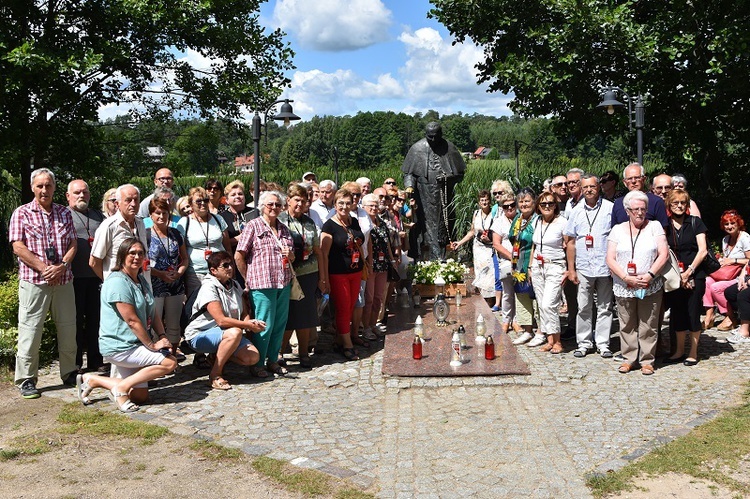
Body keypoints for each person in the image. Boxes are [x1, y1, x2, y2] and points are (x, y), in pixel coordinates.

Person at [74, 238, 177, 412]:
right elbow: (132, 320)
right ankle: (120, 388)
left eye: (140, 253)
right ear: (122, 256)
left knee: (140, 396)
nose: (137, 257)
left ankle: (93, 380)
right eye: (132, 253)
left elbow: (153, 312)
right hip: (120, 346)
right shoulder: (117, 282)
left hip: (135, 344)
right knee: (169, 363)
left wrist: (163, 336)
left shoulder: (140, 279)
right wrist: (152, 346)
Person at [10, 168, 78, 398]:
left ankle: (69, 372)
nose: (44, 190)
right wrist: (43, 268)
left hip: (64, 280)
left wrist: (62, 266)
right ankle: (27, 379)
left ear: (54, 187)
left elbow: (73, 245)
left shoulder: (64, 213)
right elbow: (17, 247)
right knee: (30, 329)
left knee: (68, 327)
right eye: (40, 186)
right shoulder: (22, 213)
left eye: (48, 185)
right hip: (34, 282)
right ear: (32, 187)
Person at [606, 190, 669, 375]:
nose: (640, 212)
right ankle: (629, 358)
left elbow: (663, 253)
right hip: (624, 284)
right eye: (635, 209)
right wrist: (626, 277)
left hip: (649, 283)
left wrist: (649, 275)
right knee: (626, 323)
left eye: (643, 209)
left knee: (648, 324)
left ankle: (647, 360)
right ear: (627, 211)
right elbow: (610, 258)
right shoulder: (617, 229)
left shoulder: (655, 226)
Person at [184, 251, 264, 389]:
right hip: (200, 334)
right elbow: (221, 321)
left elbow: (244, 312)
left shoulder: (235, 285)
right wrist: (247, 325)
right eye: (225, 266)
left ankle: (215, 357)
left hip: (226, 334)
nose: (230, 268)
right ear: (213, 270)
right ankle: (215, 375)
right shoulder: (208, 287)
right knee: (235, 333)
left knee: (252, 357)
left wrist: (250, 322)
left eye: (231, 264)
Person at [235, 190, 294, 378]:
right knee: (264, 325)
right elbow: (239, 255)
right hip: (262, 283)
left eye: (278, 204)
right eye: (270, 204)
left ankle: (273, 360)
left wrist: (290, 255)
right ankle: (258, 363)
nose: (274, 208)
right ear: (262, 206)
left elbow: (292, 256)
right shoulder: (253, 226)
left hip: (283, 282)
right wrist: (247, 278)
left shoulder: (284, 228)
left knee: (279, 324)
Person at [564, 175, 614, 358]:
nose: (589, 190)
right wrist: (571, 269)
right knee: (583, 306)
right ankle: (584, 342)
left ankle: (603, 343)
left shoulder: (610, 208)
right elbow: (570, 242)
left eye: (592, 186)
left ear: (598, 187)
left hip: (604, 266)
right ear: (581, 189)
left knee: (604, 307)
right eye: (585, 187)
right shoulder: (576, 211)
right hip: (584, 266)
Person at [402, 121, 466, 261]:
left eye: (435, 136)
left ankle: (445, 258)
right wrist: (409, 187)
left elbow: (460, 174)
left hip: (444, 194)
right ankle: (427, 258)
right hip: (423, 192)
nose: (432, 140)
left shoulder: (448, 147)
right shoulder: (417, 148)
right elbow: (408, 174)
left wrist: (448, 178)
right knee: (425, 226)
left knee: (444, 225)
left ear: (441, 134)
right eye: (429, 137)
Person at [278, 184, 324, 368]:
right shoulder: (279, 220)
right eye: (296, 199)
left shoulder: (309, 222)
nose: (300, 203)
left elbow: (318, 250)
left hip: (308, 274)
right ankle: (280, 351)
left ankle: (304, 353)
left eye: (303, 201)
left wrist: (323, 278)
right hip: (286, 274)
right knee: (287, 317)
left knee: (306, 316)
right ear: (288, 200)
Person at [663, 189, 708, 366]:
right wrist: (679, 276)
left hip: (695, 274)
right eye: (676, 203)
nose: (680, 206)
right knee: (678, 312)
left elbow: (702, 250)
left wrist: (688, 272)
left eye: (683, 203)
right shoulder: (665, 225)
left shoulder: (696, 223)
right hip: (674, 276)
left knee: (693, 312)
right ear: (669, 205)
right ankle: (679, 350)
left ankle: (693, 351)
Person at [320, 189, 365, 361]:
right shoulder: (329, 225)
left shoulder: (353, 221)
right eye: (341, 203)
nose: (344, 206)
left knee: (351, 306)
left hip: (356, 270)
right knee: (343, 308)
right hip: (338, 273)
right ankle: (347, 344)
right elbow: (324, 253)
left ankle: (340, 338)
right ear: (335, 204)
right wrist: (324, 278)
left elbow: (359, 241)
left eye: (348, 203)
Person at [67, 179, 107, 374]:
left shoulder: (99, 216)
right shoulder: (64, 215)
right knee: (74, 322)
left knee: (96, 320)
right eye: (76, 192)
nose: (81, 195)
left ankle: (95, 359)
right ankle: (74, 363)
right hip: (73, 278)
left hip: (96, 277)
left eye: (84, 192)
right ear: (68, 196)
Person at [529, 191, 571, 353]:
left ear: (556, 205)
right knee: (541, 304)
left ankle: (558, 340)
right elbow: (534, 246)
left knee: (549, 304)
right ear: (538, 206)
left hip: (555, 266)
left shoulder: (562, 222)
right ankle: (549, 339)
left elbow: (569, 246)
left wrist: (568, 269)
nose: (547, 206)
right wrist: (530, 267)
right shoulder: (537, 221)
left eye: (550, 203)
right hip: (538, 267)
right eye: (543, 204)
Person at [147, 197, 188, 358]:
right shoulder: (146, 235)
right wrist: (160, 274)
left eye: (164, 213)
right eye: (157, 213)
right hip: (155, 285)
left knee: (174, 324)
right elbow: (143, 262)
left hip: (175, 285)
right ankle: (157, 357)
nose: (161, 217)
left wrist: (179, 272)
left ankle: (172, 355)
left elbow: (184, 258)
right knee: (155, 324)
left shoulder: (176, 234)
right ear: (151, 215)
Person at [176, 187, 231, 297]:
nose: (203, 204)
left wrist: (230, 268)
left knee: (222, 304)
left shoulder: (218, 219)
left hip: (220, 271)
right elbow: (181, 252)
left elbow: (228, 247)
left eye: (206, 200)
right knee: (198, 306)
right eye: (198, 201)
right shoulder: (184, 223)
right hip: (196, 273)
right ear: (191, 204)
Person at [90, 184, 149, 284]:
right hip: (118, 289)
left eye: (136, 200)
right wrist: (109, 282)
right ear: (117, 204)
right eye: (128, 200)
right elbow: (94, 262)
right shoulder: (109, 226)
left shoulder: (141, 224)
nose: (133, 204)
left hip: (140, 286)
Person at [703, 210, 750, 330]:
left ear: (738, 223)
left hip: (740, 275)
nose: (730, 226)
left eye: (732, 223)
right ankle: (710, 315)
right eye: (726, 224)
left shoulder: (745, 238)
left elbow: (749, 260)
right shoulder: (725, 240)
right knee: (707, 281)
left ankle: (731, 316)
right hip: (727, 273)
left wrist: (733, 260)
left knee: (716, 288)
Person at [452, 190, 500, 307]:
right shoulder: (476, 213)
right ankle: (483, 303)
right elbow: (472, 231)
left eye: (486, 200)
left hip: (490, 249)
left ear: (490, 201)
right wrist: (460, 243)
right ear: (479, 202)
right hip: (478, 249)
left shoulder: (495, 213)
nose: (484, 202)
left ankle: (492, 303)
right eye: (482, 200)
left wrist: (491, 239)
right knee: (480, 275)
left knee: (490, 276)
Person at [362, 192, 396, 341]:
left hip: (382, 265)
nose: (374, 208)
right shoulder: (362, 223)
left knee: (378, 298)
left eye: (376, 205)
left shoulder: (381, 222)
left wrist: (392, 260)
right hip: (370, 265)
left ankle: (373, 323)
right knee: (368, 298)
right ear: (363, 207)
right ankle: (365, 327)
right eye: (371, 205)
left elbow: (387, 241)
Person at [509, 188, 539, 346]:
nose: (524, 204)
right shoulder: (517, 218)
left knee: (536, 297)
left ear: (534, 202)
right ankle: (527, 330)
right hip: (517, 263)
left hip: (532, 262)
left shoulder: (538, 219)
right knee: (521, 296)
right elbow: (511, 237)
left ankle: (541, 330)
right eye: (521, 201)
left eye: (527, 201)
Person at [492, 193, 522, 333]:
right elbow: (496, 244)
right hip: (506, 261)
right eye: (506, 206)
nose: (509, 208)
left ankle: (517, 321)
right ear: (502, 208)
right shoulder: (498, 221)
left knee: (521, 293)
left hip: (522, 260)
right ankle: (506, 320)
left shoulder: (522, 219)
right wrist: (511, 256)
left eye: (512, 205)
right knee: (507, 292)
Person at [611, 163, 669, 227]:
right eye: (629, 178)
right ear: (624, 182)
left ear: (644, 179)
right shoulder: (618, 203)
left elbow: (663, 230)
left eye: (637, 177)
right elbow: (614, 231)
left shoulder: (656, 202)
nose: (633, 181)